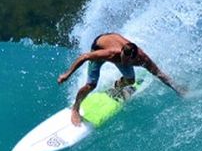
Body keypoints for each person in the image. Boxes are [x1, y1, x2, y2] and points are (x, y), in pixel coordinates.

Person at [57, 32, 186, 126]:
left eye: (126, 59)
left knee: (130, 81)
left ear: (135, 59)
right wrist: (67, 74)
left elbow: (159, 74)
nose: (122, 60)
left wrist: (177, 88)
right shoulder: (113, 53)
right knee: (91, 85)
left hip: (113, 41)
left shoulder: (143, 59)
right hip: (100, 46)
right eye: (122, 57)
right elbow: (84, 57)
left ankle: (117, 86)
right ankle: (75, 108)